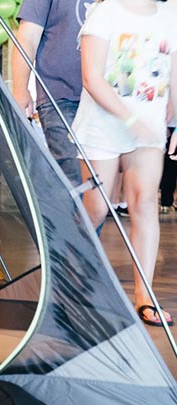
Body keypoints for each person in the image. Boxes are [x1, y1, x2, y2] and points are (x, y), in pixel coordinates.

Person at [72, 0, 177, 327]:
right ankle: (71, 280)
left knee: (144, 204)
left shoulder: (170, 15)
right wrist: (130, 120)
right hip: (103, 126)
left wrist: (174, 122)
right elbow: (91, 78)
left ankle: (145, 297)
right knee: (96, 208)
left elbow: (173, 71)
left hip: (149, 127)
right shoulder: (105, 13)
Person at [11, 0, 87, 187]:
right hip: (60, 96)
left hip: (109, 98)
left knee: (104, 186)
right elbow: (27, 36)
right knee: (75, 176)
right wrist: (20, 89)